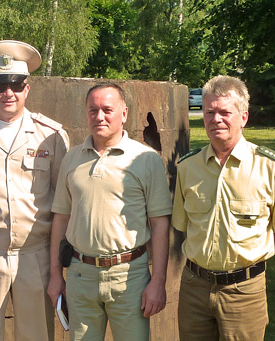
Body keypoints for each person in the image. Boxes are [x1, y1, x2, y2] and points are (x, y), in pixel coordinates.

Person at [0, 40, 69, 341]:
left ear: (27, 88)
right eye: (0, 84)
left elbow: (63, 203)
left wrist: (58, 264)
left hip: (36, 255)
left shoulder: (51, 136)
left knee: (38, 335)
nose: (9, 93)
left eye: (17, 85)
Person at [172, 75, 275, 340]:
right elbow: (182, 225)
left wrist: (252, 257)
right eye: (209, 112)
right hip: (194, 287)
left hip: (244, 290)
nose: (215, 119)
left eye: (224, 112)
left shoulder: (270, 166)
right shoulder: (187, 167)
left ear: (243, 117)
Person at [47, 83, 173, 340]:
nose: (99, 116)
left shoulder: (146, 160)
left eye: (107, 109)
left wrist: (158, 281)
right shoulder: (72, 159)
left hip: (129, 277)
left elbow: (160, 224)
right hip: (80, 275)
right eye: (93, 110)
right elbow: (61, 219)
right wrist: (55, 275)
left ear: (124, 113)